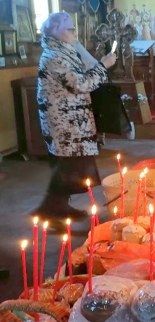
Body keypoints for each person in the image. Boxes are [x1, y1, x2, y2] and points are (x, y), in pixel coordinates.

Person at [33, 12, 116, 224]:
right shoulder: (55, 57)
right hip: (65, 123)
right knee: (68, 166)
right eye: (70, 30)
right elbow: (80, 84)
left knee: (69, 166)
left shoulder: (65, 52)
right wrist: (103, 66)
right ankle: (52, 209)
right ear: (59, 33)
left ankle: (56, 207)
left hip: (72, 121)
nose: (74, 34)